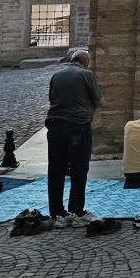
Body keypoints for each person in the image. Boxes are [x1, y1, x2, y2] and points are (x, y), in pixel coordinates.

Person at [45, 48, 103, 227]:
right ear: (85, 62)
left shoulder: (56, 75)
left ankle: (56, 213)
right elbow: (99, 100)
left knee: (56, 170)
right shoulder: (86, 75)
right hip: (77, 127)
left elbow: (51, 98)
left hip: (54, 125)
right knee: (79, 170)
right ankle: (76, 211)